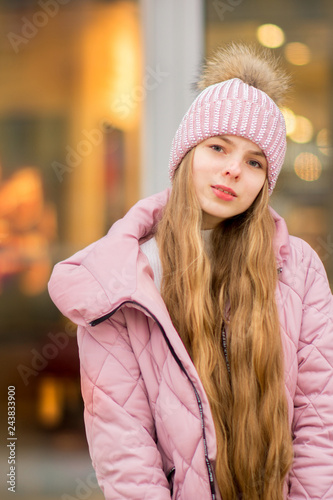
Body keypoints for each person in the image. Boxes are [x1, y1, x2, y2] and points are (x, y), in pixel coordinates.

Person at [48, 43, 333, 500]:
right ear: (186, 154)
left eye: (254, 161)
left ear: (266, 182)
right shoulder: (123, 280)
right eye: (218, 147)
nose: (232, 170)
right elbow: (125, 453)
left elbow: (319, 426)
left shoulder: (298, 271)